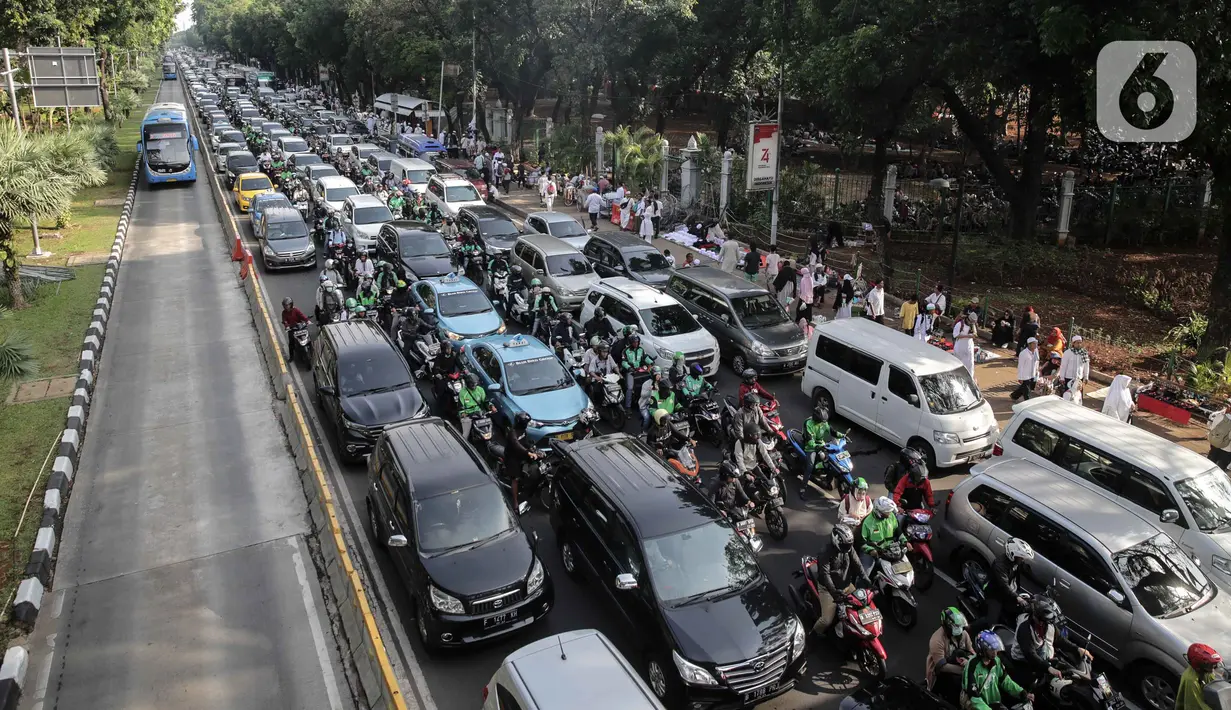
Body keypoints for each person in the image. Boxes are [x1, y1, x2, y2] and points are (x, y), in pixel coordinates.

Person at [1011, 596, 1094, 691]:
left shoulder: (1049, 625)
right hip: (1024, 662)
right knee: (1034, 689)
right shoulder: (1024, 630)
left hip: (1044, 659)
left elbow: (1060, 640)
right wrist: (1049, 668)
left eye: (1046, 621)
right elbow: (1031, 655)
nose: (1044, 624)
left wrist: (1077, 649)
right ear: (1035, 616)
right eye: (1042, 621)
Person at [812, 525, 872, 636]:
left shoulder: (848, 549)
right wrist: (835, 594)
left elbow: (857, 564)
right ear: (837, 541)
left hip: (846, 586)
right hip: (828, 590)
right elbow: (825, 576)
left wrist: (866, 580)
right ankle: (813, 636)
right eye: (845, 545)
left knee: (863, 606)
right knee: (826, 620)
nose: (848, 547)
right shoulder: (825, 553)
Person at [962, 630, 1031, 710]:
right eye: (991, 650)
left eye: (996, 649)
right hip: (978, 706)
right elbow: (974, 697)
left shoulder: (996, 661)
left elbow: (1005, 681)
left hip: (994, 703)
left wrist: (1021, 692)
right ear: (983, 649)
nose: (994, 653)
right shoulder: (973, 665)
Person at [985, 538, 1035, 628]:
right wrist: (1017, 598)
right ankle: (969, 627)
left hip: (1011, 593)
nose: (1023, 560)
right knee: (991, 623)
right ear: (1013, 554)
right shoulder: (999, 566)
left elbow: (1028, 573)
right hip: (997, 596)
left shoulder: (1016, 562)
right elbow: (1004, 585)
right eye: (1021, 557)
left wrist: (1045, 586)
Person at [927, 607, 974, 695]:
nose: (959, 629)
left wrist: (969, 660)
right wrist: (964, 671)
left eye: (960, 626)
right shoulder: (936, 640)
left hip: (959, 664)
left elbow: (971, 651)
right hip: (941, 674)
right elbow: (942, 667)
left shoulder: (963, 634)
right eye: (956, 626)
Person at [503, 412, 542, 508]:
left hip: (522, 454)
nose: (527, 425)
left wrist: (534, 449)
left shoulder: (523, 431)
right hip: (512, 457)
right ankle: (515, 502)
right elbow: (517, 445)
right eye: (526, 423)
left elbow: (526, 442)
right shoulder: (512, 433)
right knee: (515, 479)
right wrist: (528, 452)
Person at [733, 393, 776, 475]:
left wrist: (771, 432)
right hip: (746, 437)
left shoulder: (757, 409)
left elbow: (763, 422)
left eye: (757, 405)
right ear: (748, 405)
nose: (756, 407)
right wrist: (745, 441)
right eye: (754, 405)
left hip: (755, 434)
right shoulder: (740, 414)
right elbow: (739, 431)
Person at [798, 403, 832, 499]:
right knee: (810, 466)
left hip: (820, 443)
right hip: (810, 445)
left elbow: (830, 431)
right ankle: (803, 488)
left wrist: (841, 437)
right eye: (821, 421)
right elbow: (810, 441)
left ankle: (828, 481)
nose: (823, 423)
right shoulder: (808, 423)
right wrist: (816, 446)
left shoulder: (823, 422)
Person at [859, 496, 901, 574]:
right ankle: (861, 585)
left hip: (888, 550)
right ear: (879, 512)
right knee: (865, 573)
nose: (889, 514)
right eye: (887, 512)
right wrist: (871, 550)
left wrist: (904, 541)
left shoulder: (891, 516)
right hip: (872, 552)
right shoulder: (867, 522)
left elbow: (897, 530)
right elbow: (862, 543)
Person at [1178, 644, 1223, 710]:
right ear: (1199, 664)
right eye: (1210, 665)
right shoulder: (1191, 680)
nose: (1213, 668)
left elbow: (1215, 682)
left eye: (1214, 665)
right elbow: (1196, 705)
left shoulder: (1205, 670)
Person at [456, 372, 494, 440]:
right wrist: (463, 414)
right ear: (467, 383)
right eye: (472, 383)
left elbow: (486, 401)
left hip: (479, 412)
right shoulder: (463, 393)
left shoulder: (480, 390)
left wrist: (491, 407)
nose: (474, 385)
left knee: (489, 429)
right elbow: (460, 408)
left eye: (475, 383)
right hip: (468, 414)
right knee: (465, 435)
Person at [622, 334, 653, 409]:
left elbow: (646, 358)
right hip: (631, 371)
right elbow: (623, 362)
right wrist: (629, 368)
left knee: (651, 383)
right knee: (629, 388)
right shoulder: (626, 351)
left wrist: (651, 363)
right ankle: (628, 407)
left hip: (640, 370)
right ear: (630, 343)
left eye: (637, 342)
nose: (636, 344)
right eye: (634, 342)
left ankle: (651, 402)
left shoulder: (641, 350)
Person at [1011, 337, 1040, 403]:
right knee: (1027, 391)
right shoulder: (1023, 353)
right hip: (1025, 375)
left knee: (1024, 387)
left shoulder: (1036, 351)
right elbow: (1020, 366)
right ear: (1029, 344)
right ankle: (1028, 403)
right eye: (1034, 343)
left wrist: (1037, 370)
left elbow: (1037, 361)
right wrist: (1020, 377)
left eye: (1036, 343)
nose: (1036, 345)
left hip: (1033, 373)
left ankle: (1014, 396)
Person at [953, 312, 978, 380]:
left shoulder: (972, 325)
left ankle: (970, 379)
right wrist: (968, 336)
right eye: (971, 322)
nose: (972, 323)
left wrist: (974, 334)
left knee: (970, 364)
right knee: (959, 363)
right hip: (960, 347)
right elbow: (956, 335)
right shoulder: (959, 324)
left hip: (969, 347)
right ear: (968, 319)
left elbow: (975, 334)